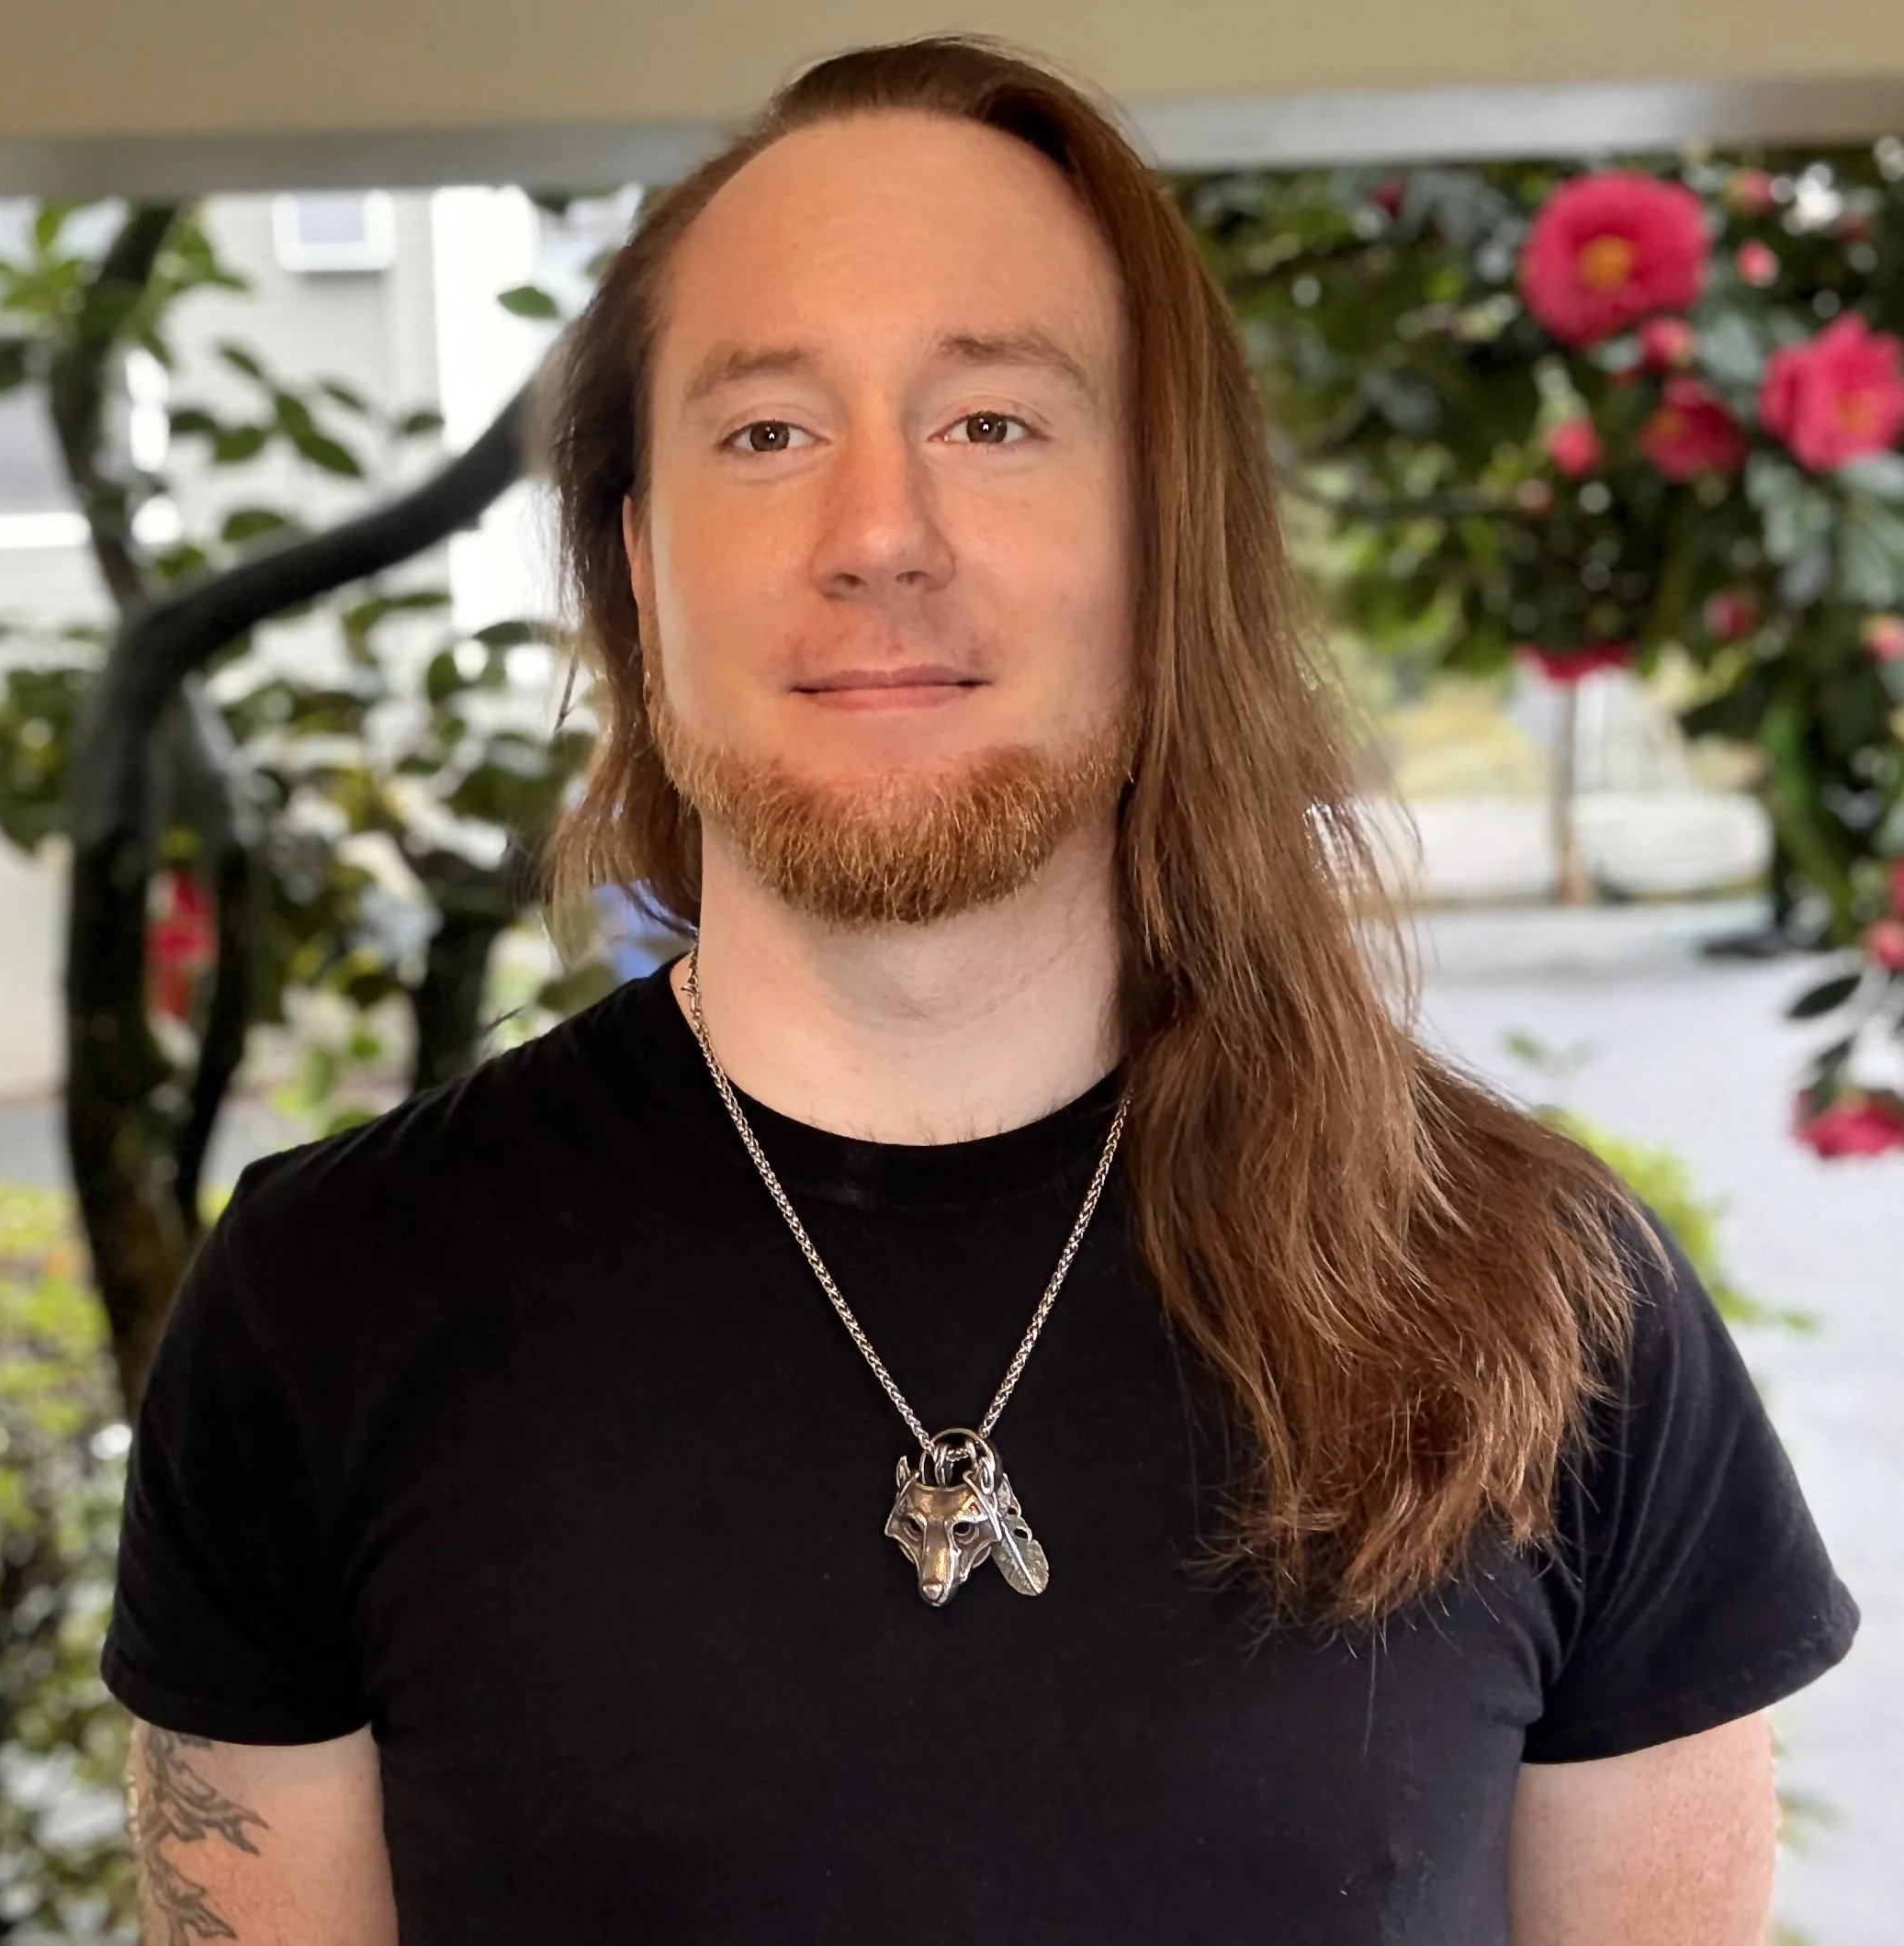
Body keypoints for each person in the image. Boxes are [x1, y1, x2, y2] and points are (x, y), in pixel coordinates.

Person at [102, 36, 1859, 1943]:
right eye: (765, 431)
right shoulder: (322, 1311)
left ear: (1166, 532)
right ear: (633, 559)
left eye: (994, 424)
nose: (876, 535)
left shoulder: (1551, 1307)